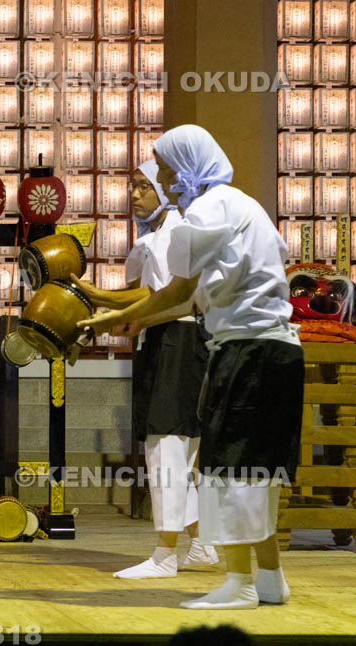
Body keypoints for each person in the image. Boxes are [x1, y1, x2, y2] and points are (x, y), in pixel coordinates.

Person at [80, 124, 302, 609]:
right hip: (278, 350)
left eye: (165, 169)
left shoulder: (206, 210)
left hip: (246, 352)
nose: (163, 179)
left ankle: (239, 582)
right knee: (256, 470)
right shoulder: (243, 204)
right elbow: (192, 300)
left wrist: (113, 317)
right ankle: (270, 578)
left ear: (188, 165)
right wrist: (130, 317)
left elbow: (178, 291)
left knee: (226, 469)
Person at [70, 160, 217, 579]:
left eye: (144, 186)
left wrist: (98, 297)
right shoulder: (151, 238)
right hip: (161, 340)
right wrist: (101, 308)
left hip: (180, 339)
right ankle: (202, 545)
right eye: (132, 186)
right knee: (172, 450)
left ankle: (165, 555)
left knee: (166, 446)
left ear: (166, 190)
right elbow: (138, 297)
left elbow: (164, 297)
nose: (134, 194)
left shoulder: (176, 233)